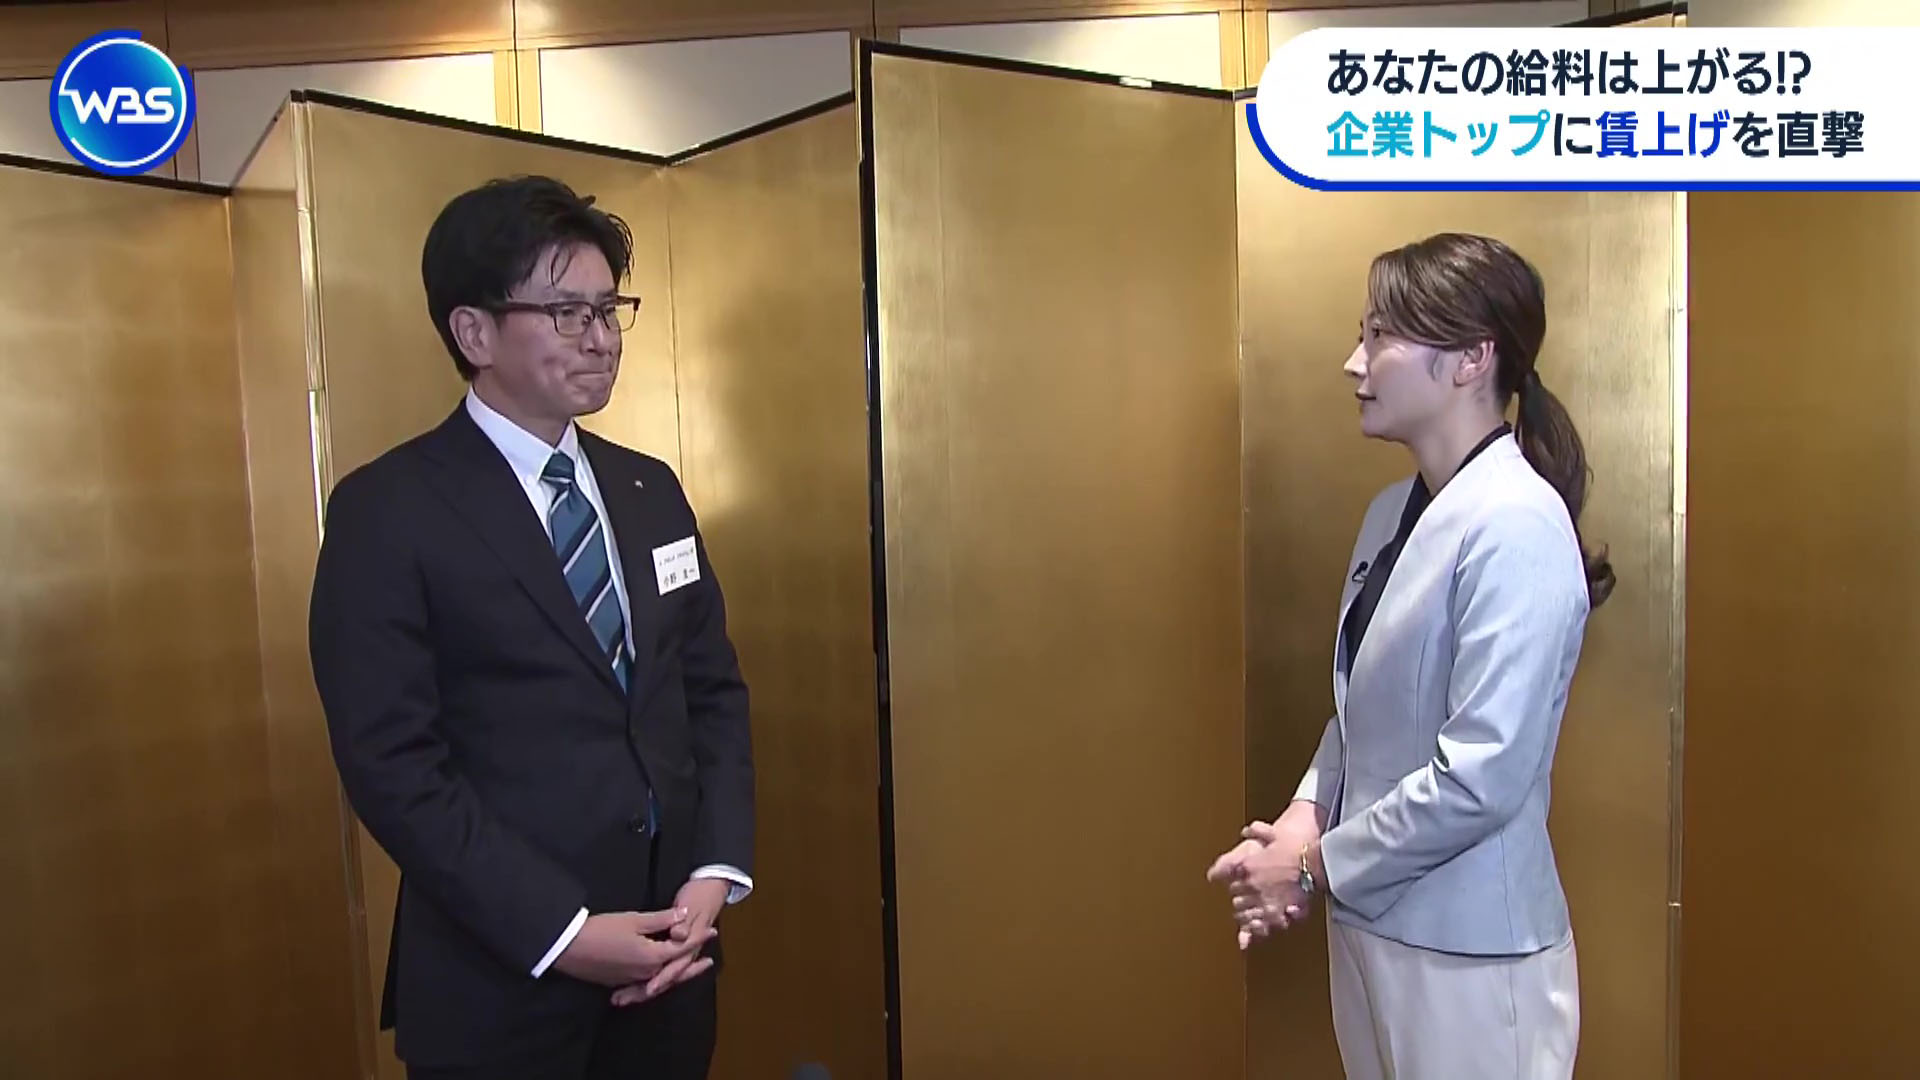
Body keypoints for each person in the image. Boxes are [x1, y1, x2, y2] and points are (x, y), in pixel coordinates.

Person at [308, 175, 755, 1080]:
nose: (601, 338)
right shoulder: (387, 510)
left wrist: (715, 871)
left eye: (610, 309)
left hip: (671, 968)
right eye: (566, 313)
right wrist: (566, 934)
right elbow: (394, 766)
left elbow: (710, 695)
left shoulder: (650, 489)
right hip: (502, 986)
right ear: (474, 333)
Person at [1208, 232, 1613, 1080]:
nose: (1355, 361)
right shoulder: (1393, 511)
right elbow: (1361, 711)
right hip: (1373, 936)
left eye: (1381, 335)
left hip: (1470, 955)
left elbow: (1482, 776)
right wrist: (1303, 818)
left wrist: (1311, 867)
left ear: (1471, 358)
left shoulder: (1516, 522)